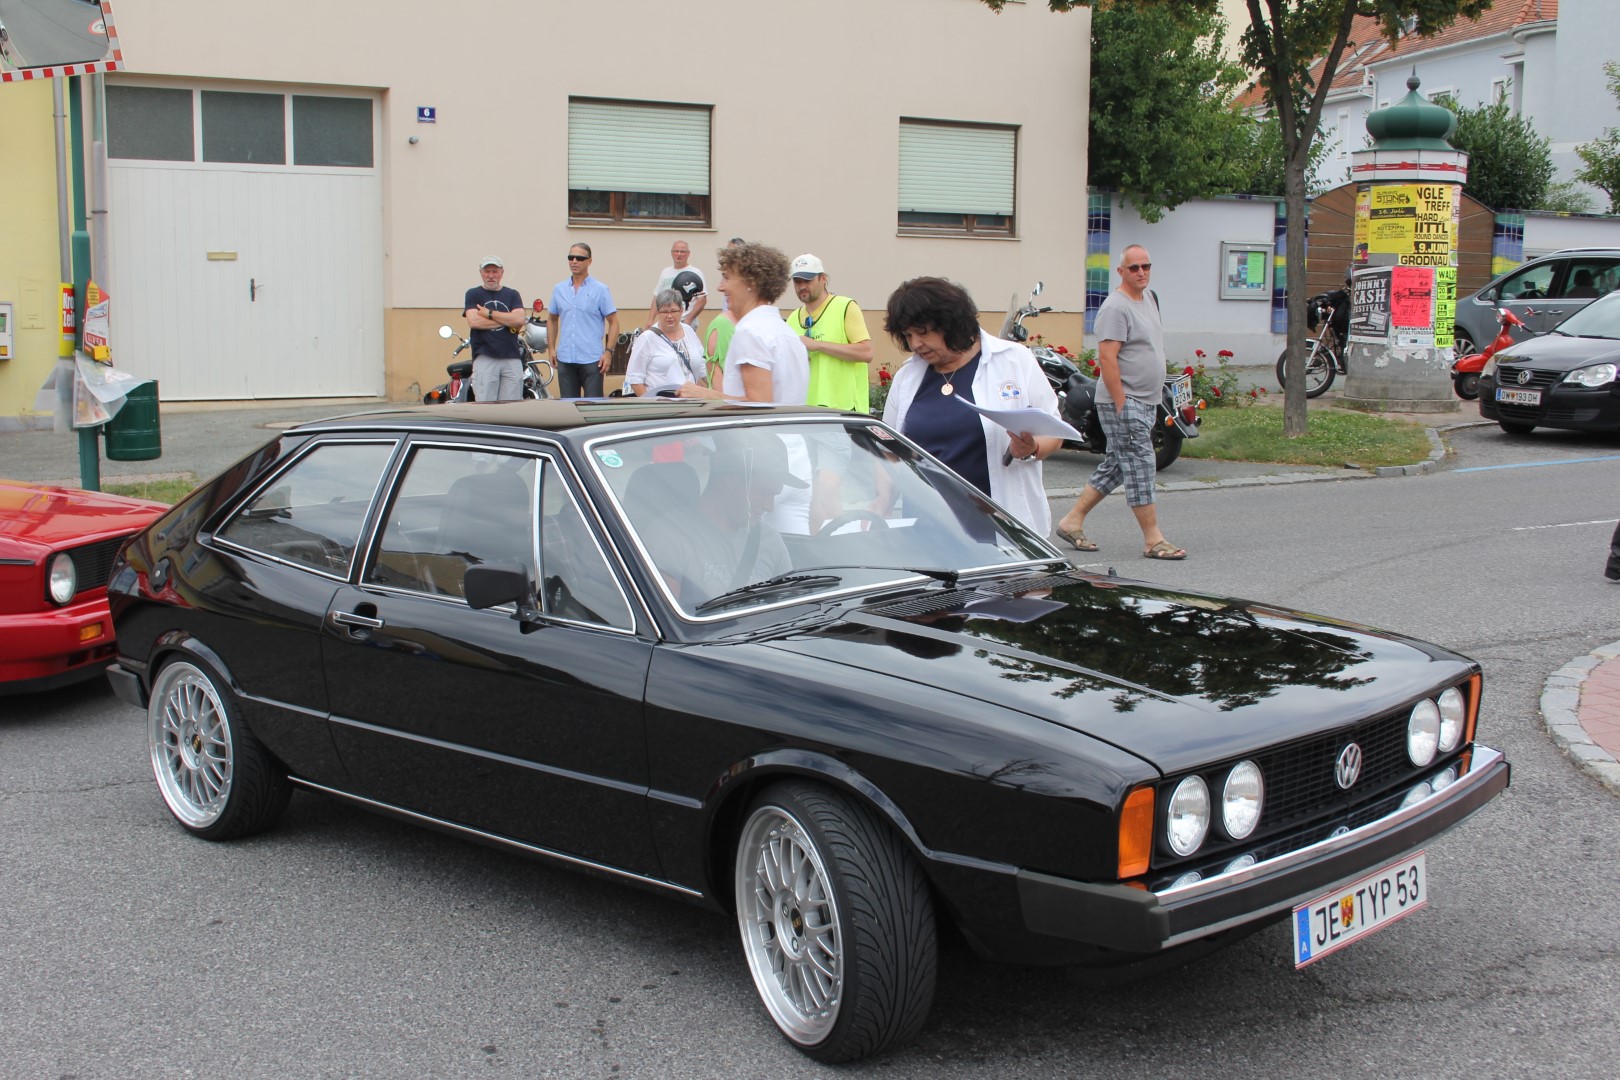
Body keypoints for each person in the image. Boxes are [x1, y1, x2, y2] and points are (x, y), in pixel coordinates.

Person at [881, 276, 1061, 536]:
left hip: (1001, 527)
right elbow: (890, 452)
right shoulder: (907, 377)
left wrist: (1030, 449)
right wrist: (878, 508)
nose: (915, 344)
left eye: (922, 332)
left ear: (950, 324)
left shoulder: (1013, 360)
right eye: (908, 335)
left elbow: (1054, 433)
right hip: (926, 530)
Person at [1053, 244, 1186, 560]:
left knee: (1118, 464)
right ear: (1121, 272)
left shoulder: (1149, 299)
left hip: (1146, 400)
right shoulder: (1115, 307)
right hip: (1123, 402)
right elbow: (1108, 357)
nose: (1141, 272)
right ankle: (1153, 539)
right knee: (1141, 463)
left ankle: (1071, 521)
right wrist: (1120, 401)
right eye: (1134, 267)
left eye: (1146, 266)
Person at [677, 242, 807, 406]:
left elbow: (759, 405)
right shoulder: (787, 332)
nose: (720, 287)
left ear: (750, 283)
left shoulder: (750, 332)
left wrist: (703, 394)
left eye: (727, 277)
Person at [787, 254, 874, 413]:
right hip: (806, 409)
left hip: (843, 411)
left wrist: (817, 345)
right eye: (797, 281)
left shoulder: (845, 306)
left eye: (808, 280)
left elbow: (866, 352)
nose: (802, 286)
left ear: (823, 279)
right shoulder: (793, 318)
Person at [547, 243, 620, 398]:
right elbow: (552, 319)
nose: (574, 261)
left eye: (579, 258)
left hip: (592, 360)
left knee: (593, 408)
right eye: (570, 257)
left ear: (589, 261)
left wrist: (608, 352)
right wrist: (551, 348)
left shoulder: (600, 289)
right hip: (566, 358)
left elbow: (614, 322)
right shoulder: (559, 289)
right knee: (568, 409)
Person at [463, 257, 526, 402]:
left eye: (495, 271)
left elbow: (519, 320)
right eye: (487, 271)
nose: (491, 276)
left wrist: (489, 314)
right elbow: (474, 321)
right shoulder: (473, 294)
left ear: (502, 273)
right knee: (486, 407)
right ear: (481, 273)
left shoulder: (512, 294)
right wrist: (507, 320)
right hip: (485, 358)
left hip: (511, 358)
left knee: (512, 408)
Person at [625, 289, 707, 395]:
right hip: (661, 404)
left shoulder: (689, 331)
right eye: (664, 312)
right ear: (658, 312)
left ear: (681, 310)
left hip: (690, 403)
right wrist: (650, 404)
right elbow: (635, 379)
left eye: (673, 311)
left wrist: (718, 390)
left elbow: (702, 366)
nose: (669, 316)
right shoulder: (647, 338)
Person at [646, 241, 707, 328]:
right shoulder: (665, 272)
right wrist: (650, 320)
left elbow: (702, 299)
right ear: (671, 253)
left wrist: (688, 320)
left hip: (684, 322)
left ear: (688, 254)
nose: (679, 254)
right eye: (676, 251)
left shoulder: (695, 273)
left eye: (682, 252)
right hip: (666, 321)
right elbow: (657, 297)